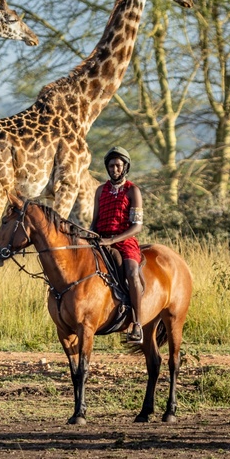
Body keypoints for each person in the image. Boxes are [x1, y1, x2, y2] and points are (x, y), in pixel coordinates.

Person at [90, 146, 145, 344]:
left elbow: (137, 226)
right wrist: (90, 236)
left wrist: (112, 240)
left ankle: (137, 324)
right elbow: (94, 221)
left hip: (125, 241)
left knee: (131, 272)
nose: (114, 169)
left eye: (118, 166)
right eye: (111, 165)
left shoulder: (133, 191)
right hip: (102, 240)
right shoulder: (100, 190)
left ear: (125, 167)